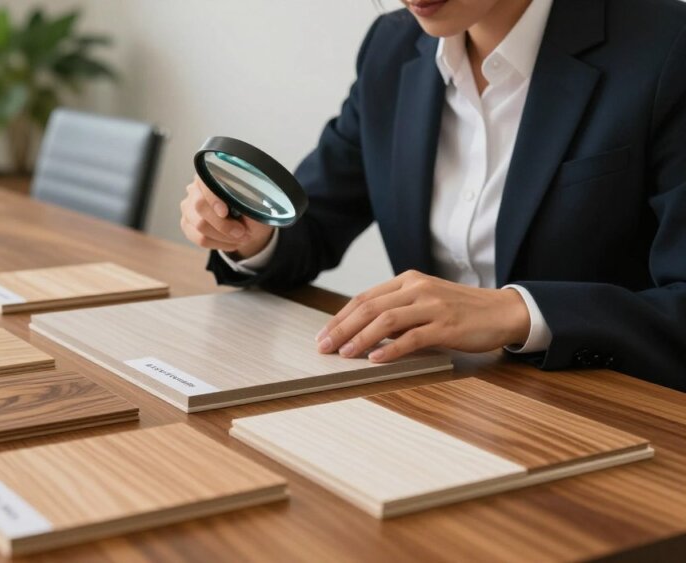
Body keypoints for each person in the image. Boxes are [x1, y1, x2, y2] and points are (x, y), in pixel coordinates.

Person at [180, 0, 686, 391]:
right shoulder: (392, 47)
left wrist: (517, 312)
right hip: (432, 399)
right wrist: (249, 234)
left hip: (608, 416)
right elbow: (313, 223)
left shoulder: (666, 47)